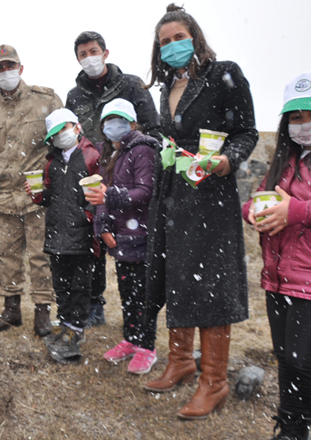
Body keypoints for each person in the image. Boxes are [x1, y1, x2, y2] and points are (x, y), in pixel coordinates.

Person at [142, 4, 257, 420]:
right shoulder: (166, 86)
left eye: (178, 38)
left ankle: (215, 381)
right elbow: (171, 134)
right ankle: (180, 361)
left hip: (210, 195)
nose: (172, 46)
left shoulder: (224, 73)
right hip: (173, 194)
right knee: (175, 273)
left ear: (195, 37)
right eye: (164, 42)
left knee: (209, 282)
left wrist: (227, 160)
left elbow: (245, 130)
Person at [66, 31, 162, 328]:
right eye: (82, 54)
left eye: (93, 51)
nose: (89, 58)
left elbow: (153, 129)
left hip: (131, 171)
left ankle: (139, 318)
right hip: (91, 174)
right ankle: (95, 303)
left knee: (133, 242)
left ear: (105, 53)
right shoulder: (75, 94)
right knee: (94, 236)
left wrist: (141, 162)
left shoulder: (131, 85)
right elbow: (74, 134)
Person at [0, 44, 60, 337]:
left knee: (40, 255)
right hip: (3, 195)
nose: (6, 72)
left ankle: (43, 312)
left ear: (21, 68)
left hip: (37, 196)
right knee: (7, 256)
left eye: (11, 66)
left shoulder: (46, 100)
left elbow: (63, 140)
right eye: (0, 68)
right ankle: (11, 309)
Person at [242, 72, 311, 439]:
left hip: (308, 281)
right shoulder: (285, 160)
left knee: (303, 359)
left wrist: (295, 211)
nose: (302, 125)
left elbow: (296, 209)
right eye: (295, 117)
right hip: (279, 276)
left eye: (309, 115)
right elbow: (259, 196)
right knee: (286, 358)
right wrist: (253, 210)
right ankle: (292, 427)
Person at [85, 99, 158, 374]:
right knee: (127, 292)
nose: (114, 125)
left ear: (133, 123)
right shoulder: (109, 153)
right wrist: (102, 226)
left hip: (142, 234)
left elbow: (145, 191)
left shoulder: (142, 150)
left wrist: (111, 196)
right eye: (108, 120)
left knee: (144, 294)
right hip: (120, 236)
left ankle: (147, 347)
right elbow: (102, 194)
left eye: (120, 119)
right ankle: (130, 339)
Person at [25, 109, 99, 363]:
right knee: (61, 284)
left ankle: (76, 329)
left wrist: (87, 217)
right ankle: (65, 323)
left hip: (81, 236)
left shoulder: (91, 157)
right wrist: (37, 195)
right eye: (55, 133)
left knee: (80, 285)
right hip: (56, 235)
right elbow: (52, 196)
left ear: (77, 127)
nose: (60, 136)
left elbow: (99, 193)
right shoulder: (52, 162)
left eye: (63, 128)